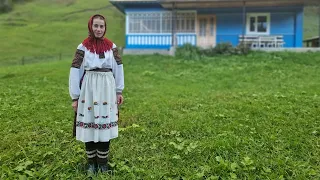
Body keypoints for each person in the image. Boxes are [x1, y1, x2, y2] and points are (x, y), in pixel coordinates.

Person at [69, 14, 124, 174]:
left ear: (105, 28)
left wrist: (118, 90)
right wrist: (75, 96)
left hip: (107, 89)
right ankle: (91, 163)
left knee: (104, 126)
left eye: (102, 26)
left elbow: (118, 68)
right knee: (90, 125)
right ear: (90, 27)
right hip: (89, 89)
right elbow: (75, 71)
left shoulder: (111, 46)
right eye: (96, 26)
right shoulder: (83, 47)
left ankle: (103, 163)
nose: (99, 29)